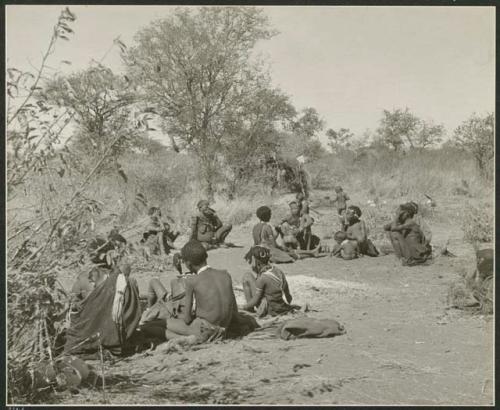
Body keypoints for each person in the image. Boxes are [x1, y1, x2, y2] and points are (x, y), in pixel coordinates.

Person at [164, 241, 237, 344]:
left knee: (158, 326)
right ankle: (190, 337)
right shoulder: (225, 274)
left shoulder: (192, 280)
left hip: (205, 329)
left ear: (188, 264)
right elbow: (234, 309)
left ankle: (191, 339)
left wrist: (178, 316)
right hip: (225, 328)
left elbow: (187, 319)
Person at [242, 245, 295, 317]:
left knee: (247, 276)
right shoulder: (278, 271)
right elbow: (288, 297)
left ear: (256, 263)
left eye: (251, 262)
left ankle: (250, 309)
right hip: (280, 307)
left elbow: (255, 300)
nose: (251, 265)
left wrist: (243, 307)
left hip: (269, 310)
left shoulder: (263, 278)